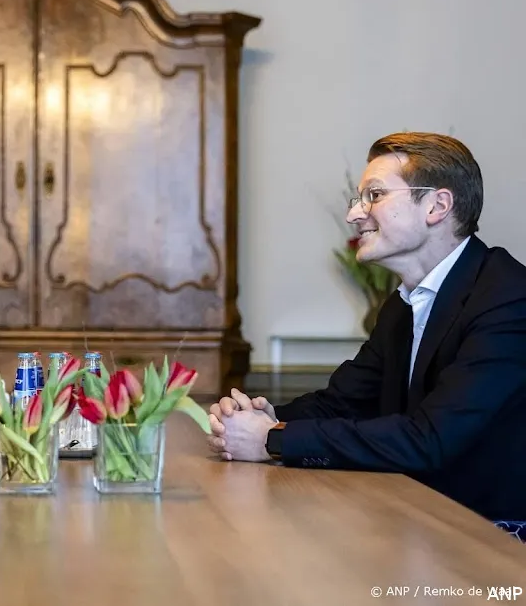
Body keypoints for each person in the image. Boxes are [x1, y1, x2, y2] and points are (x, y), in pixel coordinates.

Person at [208, 132, 526, 541]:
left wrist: (272, 439)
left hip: (497, 538)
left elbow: (430, 440)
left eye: (374, 195)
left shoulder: (508, 299)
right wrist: (263, 417)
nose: (354, 214)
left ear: (437, 206)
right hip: (421, 520)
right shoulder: (402, 304)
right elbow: (342, 402)